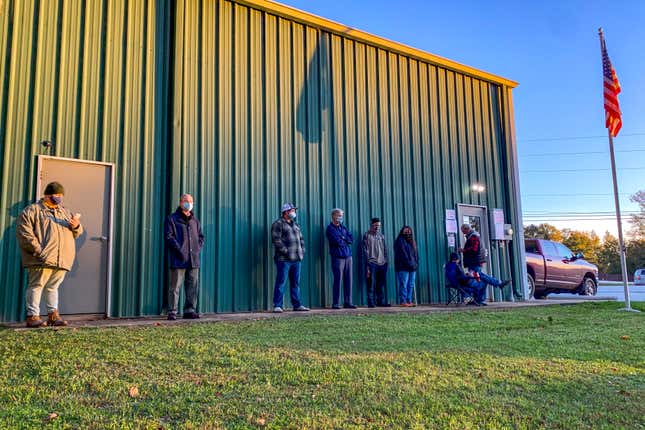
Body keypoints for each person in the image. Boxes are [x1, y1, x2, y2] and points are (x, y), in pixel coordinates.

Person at [16, 181, 83, 327]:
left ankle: (53, 316)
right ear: (47, 195)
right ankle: (33, 317)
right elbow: (24, 233)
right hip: (41, 258)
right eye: (56, 195)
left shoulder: (64, 212)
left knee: (53, 287)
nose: (59, 198)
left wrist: (76, 226)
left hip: (62, 258)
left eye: (60, 195)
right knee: (36, 285)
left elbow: (78, 232)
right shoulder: (32, 210)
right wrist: (38, 251)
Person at [165, 194, 204, 320]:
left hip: (193, 260)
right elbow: (169, 237)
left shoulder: (195, 221)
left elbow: (201, 237)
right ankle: (172, 311)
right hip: (178, 259)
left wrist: (197, 249)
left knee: (192, 286)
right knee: (175, 286)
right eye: (186, 201)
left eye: (191, 201)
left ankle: (189, 310)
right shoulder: (172, 219)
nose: (189, 203)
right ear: (180, 202)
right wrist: (180, 250)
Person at [271, 203, 310, 313]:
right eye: (292, 210)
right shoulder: (278, 224)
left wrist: (302, 250)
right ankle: (278, 305)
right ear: (286, 212)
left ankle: (297, 305)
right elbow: (276, 241)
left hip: (297, 259)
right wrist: (287, 252)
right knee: (281, 282)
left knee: (295, 283)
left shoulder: (295, 224)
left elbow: (301, 239)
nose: (294, 212)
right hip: (284, 260)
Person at [444, 252, 509, 306]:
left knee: (481, 277)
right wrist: (469, 275)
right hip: (464, 283)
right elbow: (462, 277)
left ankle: (497, 284)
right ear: (457, 259)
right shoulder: (456, 266)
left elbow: (458, 276)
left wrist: (466, 275)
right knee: (483, 282)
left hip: (455, 284)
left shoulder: (448, 266)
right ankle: (480, 300)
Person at [326, 208, 356, 309]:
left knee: (349, 280)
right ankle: (336, 303)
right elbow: (337, 241)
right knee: (338, 280)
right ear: (334, 216)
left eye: (342, 215)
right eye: (339, 215)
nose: (341, 217)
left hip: (348, 257)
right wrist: (344, 239)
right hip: (337, 257)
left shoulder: (343, 227)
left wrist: (343, 238)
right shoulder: (330, 228)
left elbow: (351, 239)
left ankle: (348, 302)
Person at [362, 217, 390, 308]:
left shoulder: (381, 236)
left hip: (382, 263)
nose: (377, 227)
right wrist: (367, 264)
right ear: (371, 225)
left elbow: (385, 249)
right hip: (372, 262)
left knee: (380, 284)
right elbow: (365, 250)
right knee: (371, 283)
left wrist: (386, 261)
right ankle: (371, 302)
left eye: (378, 225)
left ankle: (380, 302)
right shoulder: (366, 235)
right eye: (375, 225)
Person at [394, 225, 419, 307]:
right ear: (402, 232)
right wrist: (409, 264)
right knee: (404, 284)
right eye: (405, 232)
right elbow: (403, 254)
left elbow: (415, 254)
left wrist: (415, 264)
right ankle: (403, 301)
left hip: (412, 267)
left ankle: (409, 301)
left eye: (409, 232)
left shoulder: (412, 242)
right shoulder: (400, 241)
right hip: (403, 267)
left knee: (410, 284)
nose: (407, 233)